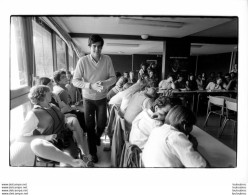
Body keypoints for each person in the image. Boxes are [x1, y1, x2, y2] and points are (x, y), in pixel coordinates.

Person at [17, 85, 93, 167]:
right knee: (36, 144)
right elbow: (20, 138)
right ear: (43, 95)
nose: (51, 93)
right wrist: (46, 137)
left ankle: (83, 154)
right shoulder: (33, 114)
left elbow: (61, 119)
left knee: (66, 164)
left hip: (65, 141)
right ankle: (78, 159)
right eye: (48, 92)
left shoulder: (53, 106)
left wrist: (67, 124)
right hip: (50, 145)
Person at [72, 34, 116, 163]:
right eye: (94, 46)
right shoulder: (83, 61)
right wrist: (90, 85)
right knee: (90, 126)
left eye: (99, 47)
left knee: (102, 124)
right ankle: (93, 153)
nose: (97, 49)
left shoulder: (107, 59)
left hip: (102, 98)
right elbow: (75, 81)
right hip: (88, 99)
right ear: (90, 46)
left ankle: (97, 136)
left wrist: (104, 83)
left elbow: (113, 78)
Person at [142, 105, 207, 167]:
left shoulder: (157, 129)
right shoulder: (176, 136)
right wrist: (194, 148)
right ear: (184, 125)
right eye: (191, 126)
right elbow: (200, 166)